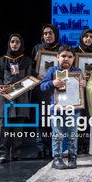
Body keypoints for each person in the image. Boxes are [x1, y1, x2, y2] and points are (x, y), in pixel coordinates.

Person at [40, 45, 86, 169]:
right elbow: (42, 86)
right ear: (57, 57)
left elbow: (82, 90)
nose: (66, 59)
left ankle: (72, 157)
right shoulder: (52, 71)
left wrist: (83, 84)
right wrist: (52, 83)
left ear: (74, 58)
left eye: (70, 57)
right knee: (58, 135)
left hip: (73, 109)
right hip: (57, 109)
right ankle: (57, 159)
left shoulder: (78, 72)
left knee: (73, 134)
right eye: (63, 56)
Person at [0, 34, 33, 164]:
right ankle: (2, 154)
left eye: (17, 42)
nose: (15, 44)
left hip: (21, 98)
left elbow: (30, 77)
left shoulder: (26, 60)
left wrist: (31, 85)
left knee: (18, 128)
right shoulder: (2, 61)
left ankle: (16, 153)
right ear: (9, 43)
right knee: (3, 128)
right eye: (12, 41)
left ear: (21, 44)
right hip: (6, 99)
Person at [30, 24, 61, 159]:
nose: (47, 36)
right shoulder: (37, 48)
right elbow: (29, 67)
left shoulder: (61, 49)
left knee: (52, 119)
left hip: (54, 89)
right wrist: (37, 75)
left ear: (55, 34)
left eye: (50, 33)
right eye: (45, 33)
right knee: (40, 120)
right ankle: (41, 147)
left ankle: (52, 147)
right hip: (40, 89)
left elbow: (65, 67)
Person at [74, 29, 92, 154]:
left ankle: (90, 145)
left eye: (91, 37)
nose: (88, 39)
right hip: (78, 90)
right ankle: (80, 145)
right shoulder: (75, 52)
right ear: (82, 38)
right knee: (80, 118)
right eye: (86, 36)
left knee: (91, 118)